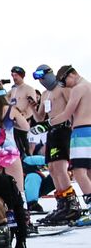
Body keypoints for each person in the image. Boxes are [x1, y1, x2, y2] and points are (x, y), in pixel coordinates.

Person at [46, 66, 91, 210]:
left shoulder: (78, 88)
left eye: (64, 82)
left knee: (78, 171)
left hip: (81, 131)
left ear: (72, 74)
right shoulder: (89, 86)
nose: (65, 86)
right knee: (89, 171)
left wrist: (49, 123)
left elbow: (67, 113)